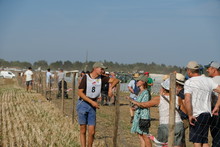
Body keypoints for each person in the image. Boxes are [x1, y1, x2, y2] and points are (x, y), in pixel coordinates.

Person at [129, 78, 185, 147]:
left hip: (165, 125)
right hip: (178, 124)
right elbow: (184, 111)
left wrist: (133, 101)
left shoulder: (158, 99)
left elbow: (144, 105)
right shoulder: (178, 98)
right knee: (177, 145)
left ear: (163, 88)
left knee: (161, 145)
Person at [77, 62, 119, 147]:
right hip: (83, 104)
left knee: (92, 132)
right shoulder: (86, 77)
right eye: (101, 69)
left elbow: (116, 80)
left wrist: (110, 88)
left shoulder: (102, 78)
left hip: (93, 105)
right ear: (95, 68)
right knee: (83, 129)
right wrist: (91, 102)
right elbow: (80, 93)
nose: (103, 71)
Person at [184, 61, 220, 147]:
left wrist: (189, 115)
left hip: (197, 115)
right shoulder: (208, 80)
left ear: (189, 71)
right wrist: (217, 106)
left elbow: (187, 100)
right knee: (204, 140)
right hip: (207, 113)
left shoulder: (189, 82)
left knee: (197, 141)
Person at [127, 75, 152, 147]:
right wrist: (135, 107)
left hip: (143, 117)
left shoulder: (146, 92)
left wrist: (132, 101)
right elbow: (139, 104)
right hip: (138, 116)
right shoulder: (140, 92)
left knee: (145, 136)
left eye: (138, 81)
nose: (136, 82)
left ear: (143, 82)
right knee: (140, 136)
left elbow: (144, 104)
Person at [205, 61, 220, 147]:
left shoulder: (210, 81)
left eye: (209, 68)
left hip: (215, 110)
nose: (207, 70)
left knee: (216, 135)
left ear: (214, 69)